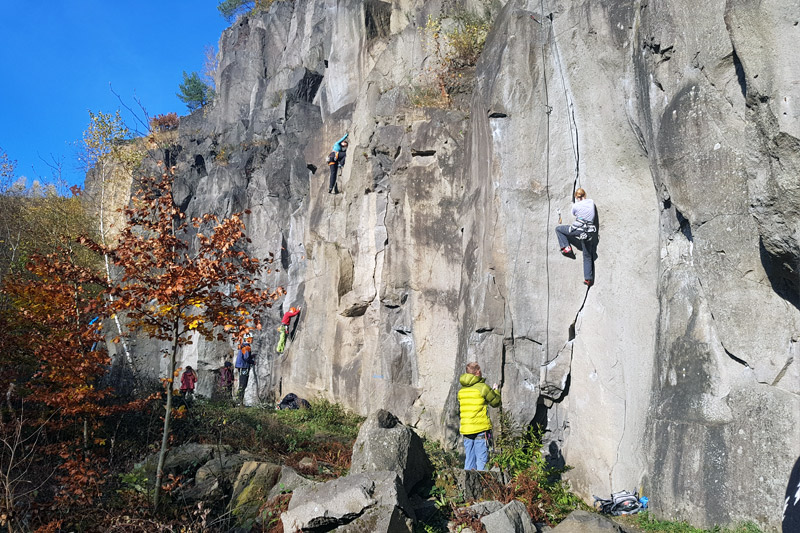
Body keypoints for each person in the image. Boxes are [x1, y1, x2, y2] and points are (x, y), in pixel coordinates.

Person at [457, 362, 501, 471]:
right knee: (482, 460)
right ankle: (482, 485)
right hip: (481, 429)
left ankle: (467, 486)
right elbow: (496, 402)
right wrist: (496, 391)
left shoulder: (461, 391)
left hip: (466, 429)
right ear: (477, 372)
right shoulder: (482, 388)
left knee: (469, 460)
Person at [555, 187, 598, 286]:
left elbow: (574, 214)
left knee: (559, 229)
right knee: (587, 256)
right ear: (585, 195)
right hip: (589, 232)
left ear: (577, 197)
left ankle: (566, 248)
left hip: (579, 230)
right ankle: (588, 279)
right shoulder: (591, 202)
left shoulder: (576, 206)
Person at [235, 336, 254, 402]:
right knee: (243, 384)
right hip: (244, 367)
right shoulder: (247, 346)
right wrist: (253, 362)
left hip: (241, 366)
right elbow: (246, 358)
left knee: (242, 384)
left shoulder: (242, 345)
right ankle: (239, 401)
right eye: (251, 338)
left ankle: (239, 400)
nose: (252, 340)